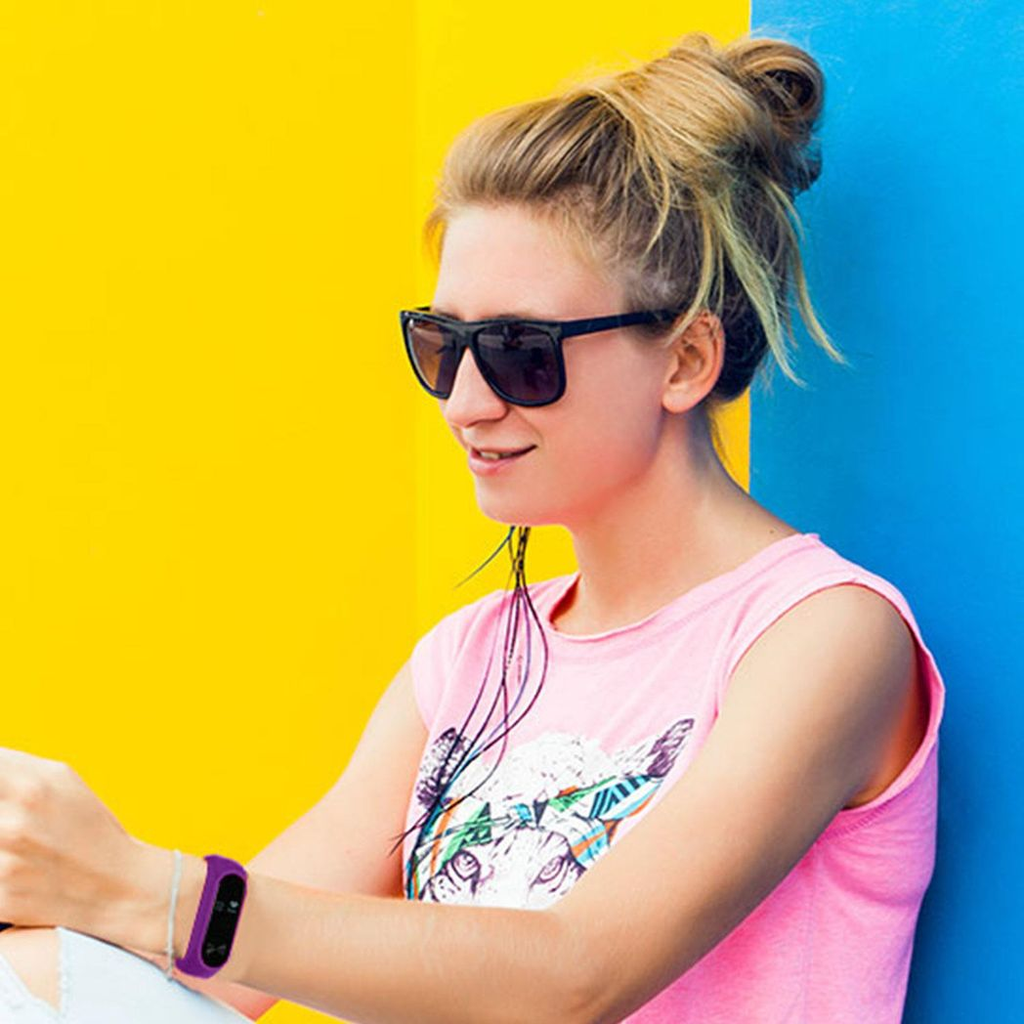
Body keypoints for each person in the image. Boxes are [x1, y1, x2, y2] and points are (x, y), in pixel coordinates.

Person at [0, 29, 944, 1024]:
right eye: (441, 345)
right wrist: (54, 899)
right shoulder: (468, 656)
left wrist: (143, 888)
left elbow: (576, 976)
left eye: (518, 350)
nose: (464, 402)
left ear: (684, 361)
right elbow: (215, 974)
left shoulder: (822, 637)